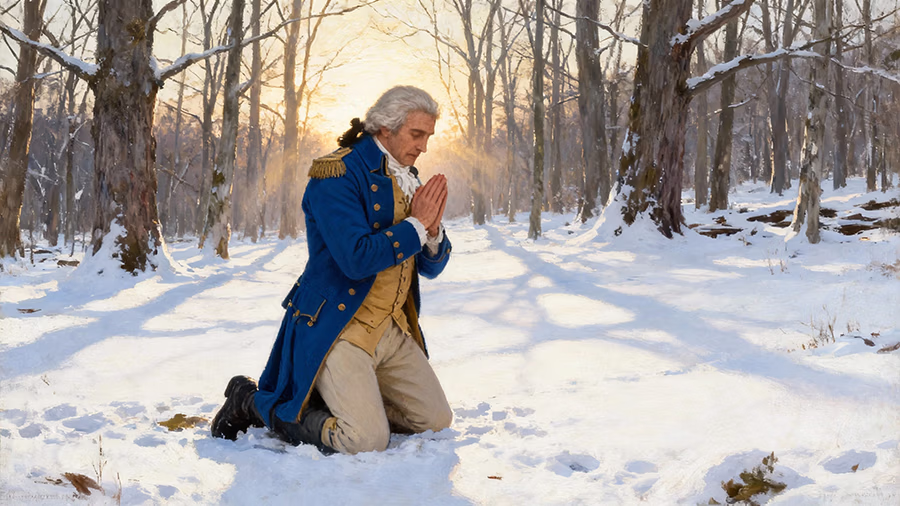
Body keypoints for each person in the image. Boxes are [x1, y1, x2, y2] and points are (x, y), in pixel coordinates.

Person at [211, 86, 453, 455]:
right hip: (338, 326)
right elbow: (355, 259)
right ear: (385, 128)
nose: (423, 146)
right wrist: (417, 225)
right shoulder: (336, 174)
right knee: (365, 440)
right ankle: (252, 402)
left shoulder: (409, 177)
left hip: (390, 328)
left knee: (436, 420)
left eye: (428, 136)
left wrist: (431, 233)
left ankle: (346, 400)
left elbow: (430, 268)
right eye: (416, 134)